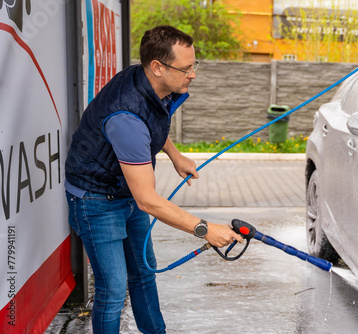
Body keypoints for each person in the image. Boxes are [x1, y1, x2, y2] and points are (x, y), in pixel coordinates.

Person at [64, 25, 243, 334]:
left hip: (125, 191)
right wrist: (206, 230)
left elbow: (153, 121)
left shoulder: (148, 82)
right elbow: (148, 199)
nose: (193, 75)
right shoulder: (125, 117)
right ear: (158, 68)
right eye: (186, 69)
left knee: (144, 274)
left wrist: (174, 155)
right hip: (94, 199)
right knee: (114, 289)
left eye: (193, 66)